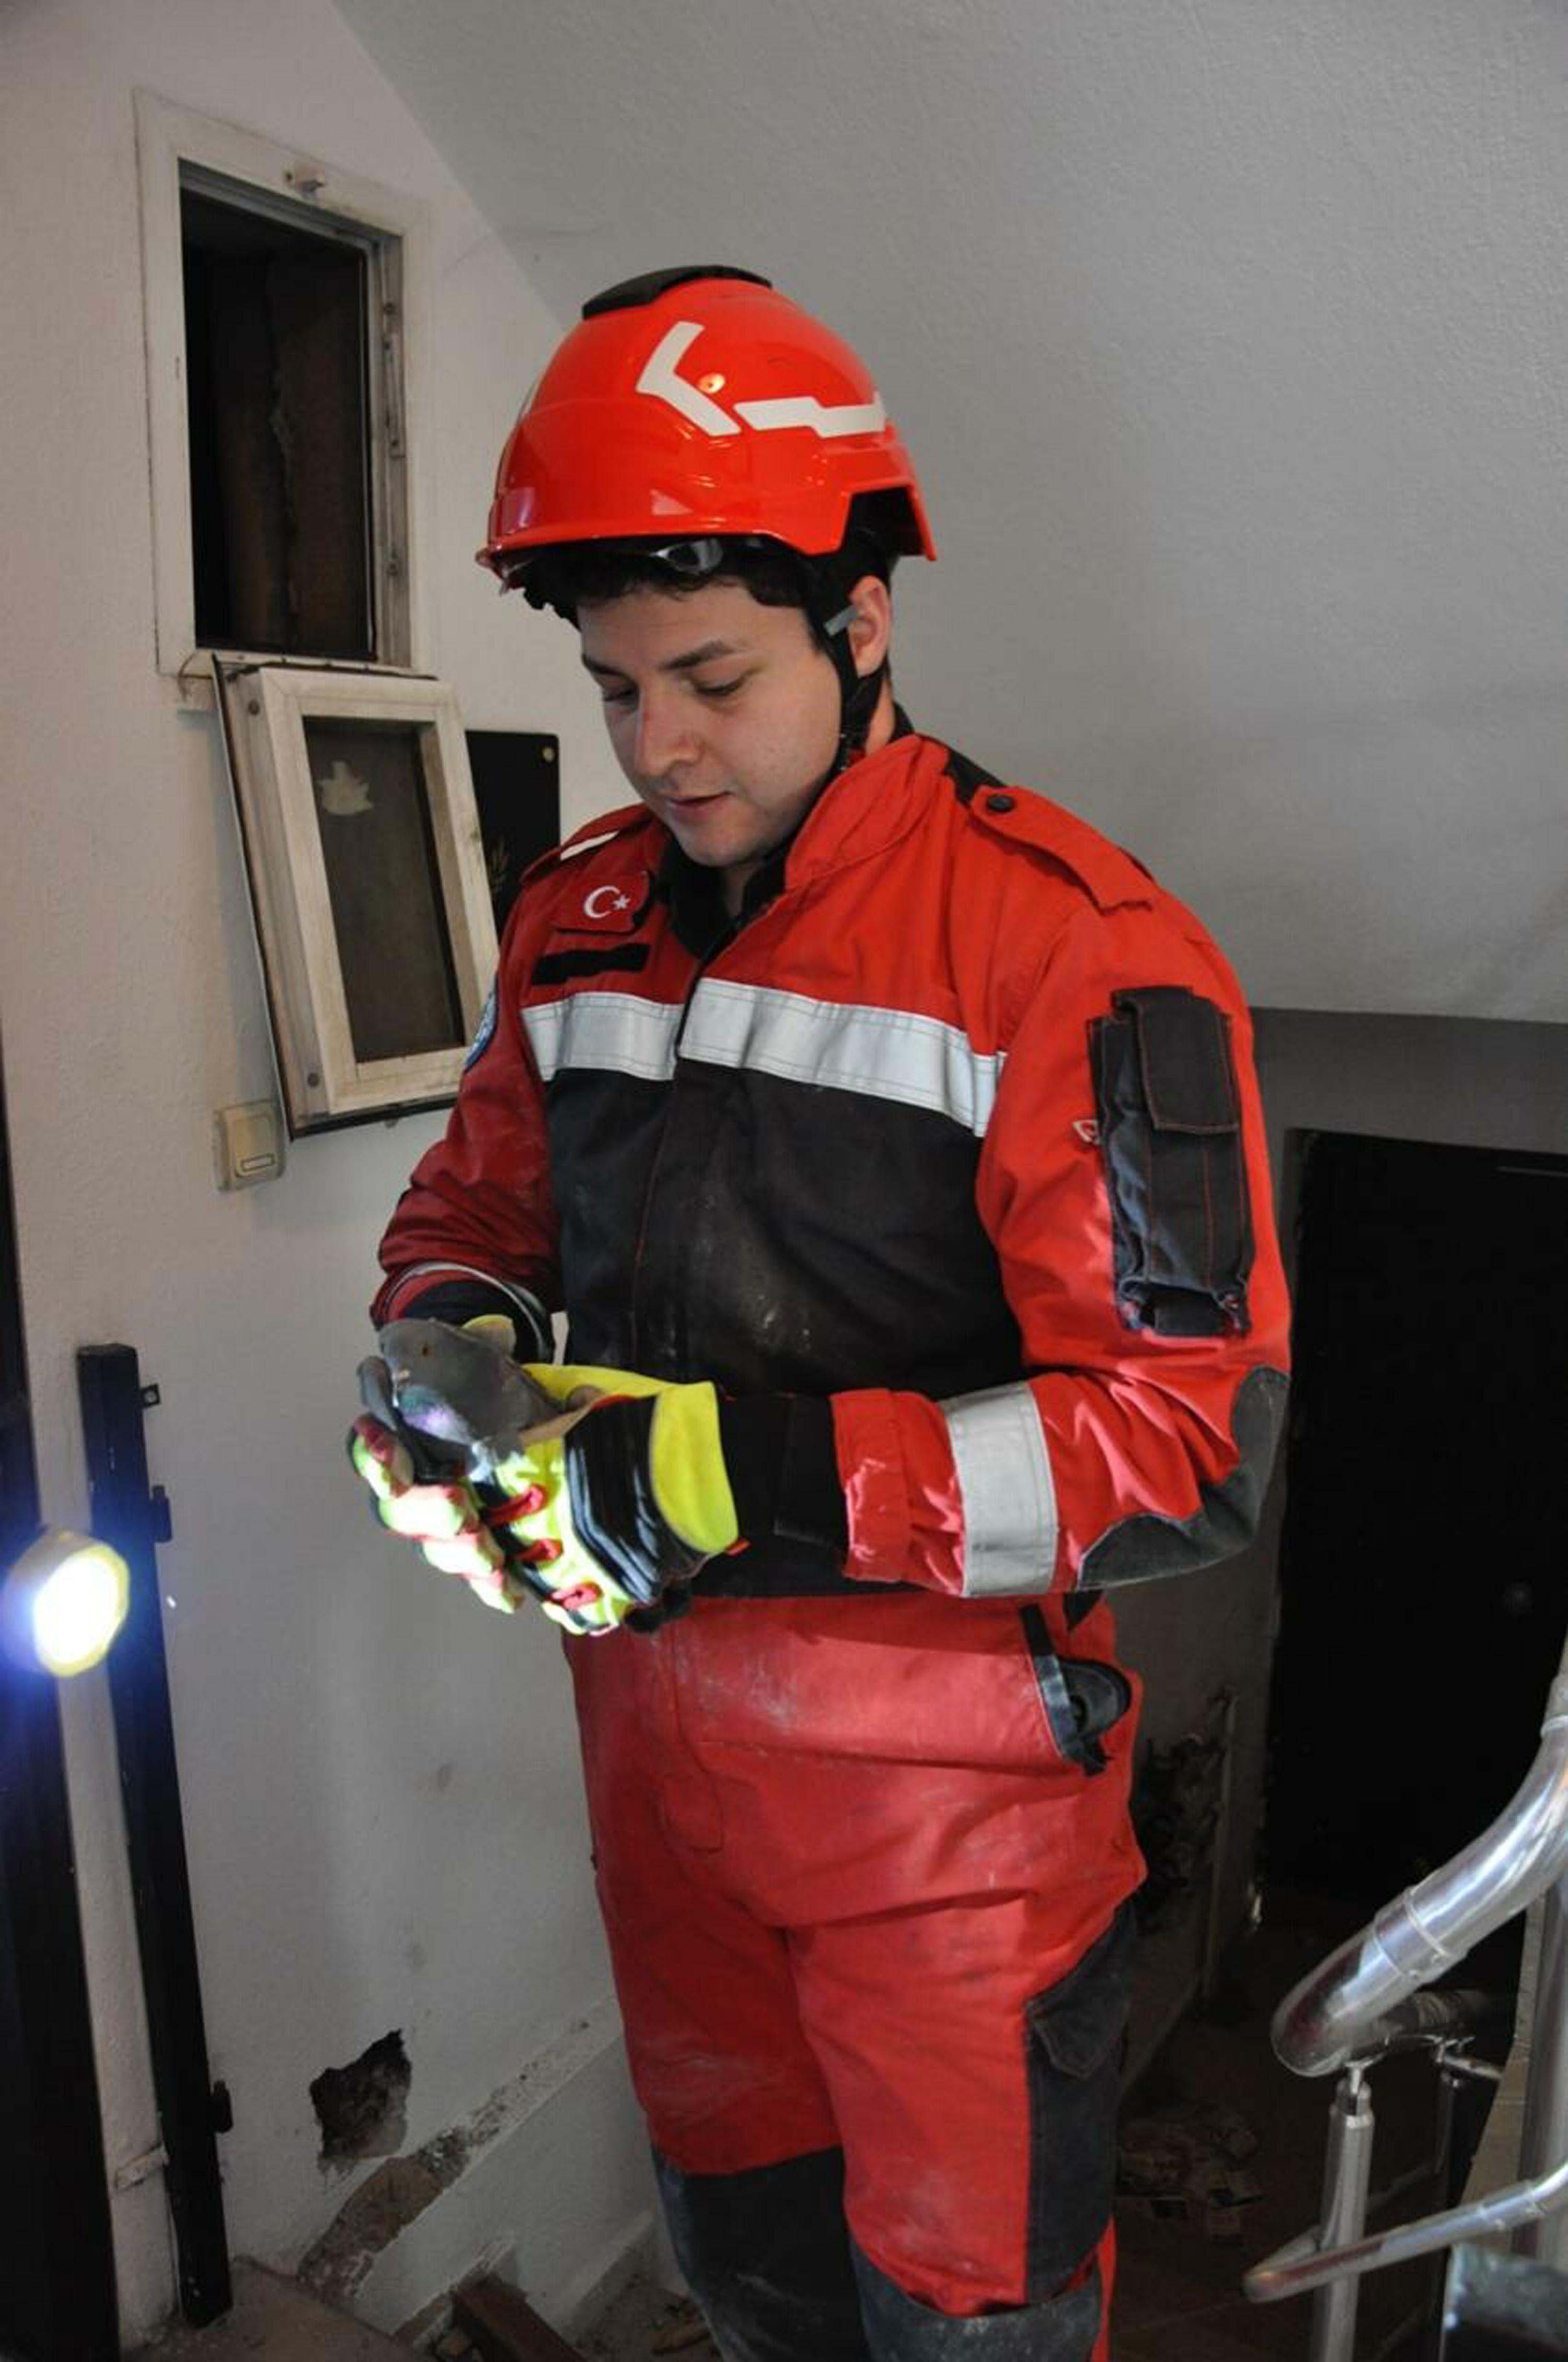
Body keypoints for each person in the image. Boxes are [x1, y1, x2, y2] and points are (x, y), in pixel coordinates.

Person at [353, 265, 1290, 2362]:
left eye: (711, 675)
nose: (660, 745)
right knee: (753, 2291)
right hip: (660, 1799)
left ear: (862, 622)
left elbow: (1188, 1443)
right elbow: (472, 1208)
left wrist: (720, 1471)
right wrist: (443, 1350)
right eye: (615, 687)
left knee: (968, 2339)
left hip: (951, 1855)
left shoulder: (1073, 950)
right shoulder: (578, 916)